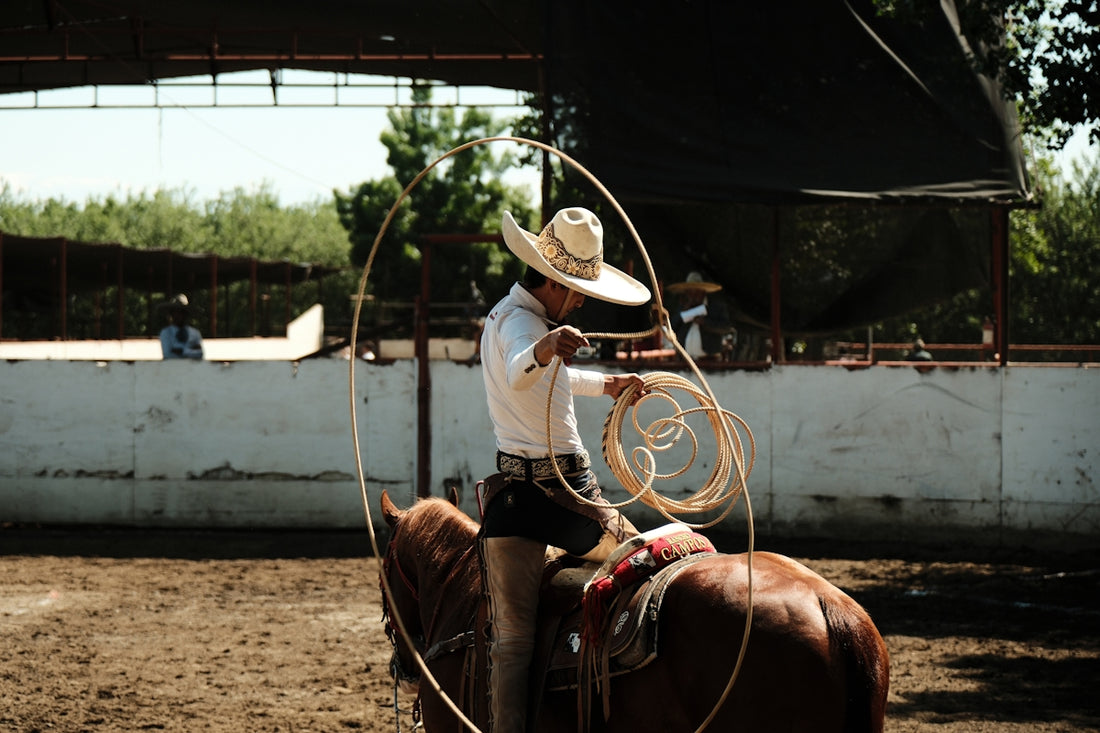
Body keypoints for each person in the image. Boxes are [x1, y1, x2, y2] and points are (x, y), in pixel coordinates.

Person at [479, 206, 650, 733]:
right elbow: (521, 369)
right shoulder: (525, 327)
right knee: (651, 566)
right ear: (553, 282)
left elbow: (544, 379)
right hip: (567, 497)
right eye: (576, 291)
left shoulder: (503, 315)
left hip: (513, 502)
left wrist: (606, 384)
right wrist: (546, 346)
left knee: (512, 642)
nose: (580, 300)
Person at [666, 271, 735, 359]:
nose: (693, 296)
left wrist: (705, 322)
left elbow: (726, 327)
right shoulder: (683, 307)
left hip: (709, 359)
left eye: (696, 293)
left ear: (703, 292)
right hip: (685, 359)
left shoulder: (715, 308)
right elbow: (671, 327)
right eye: (690, 293)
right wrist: (683, 313)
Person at [159, 293, 204, 360]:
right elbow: (168, 354)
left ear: (186, 314)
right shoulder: (166, 333)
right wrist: (191, 349)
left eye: (181, 312)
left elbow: (200, 353)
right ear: (171, 314)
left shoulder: (195, 333)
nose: (178, 315)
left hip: (191, 366)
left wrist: (181, 351)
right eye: (175, 312)